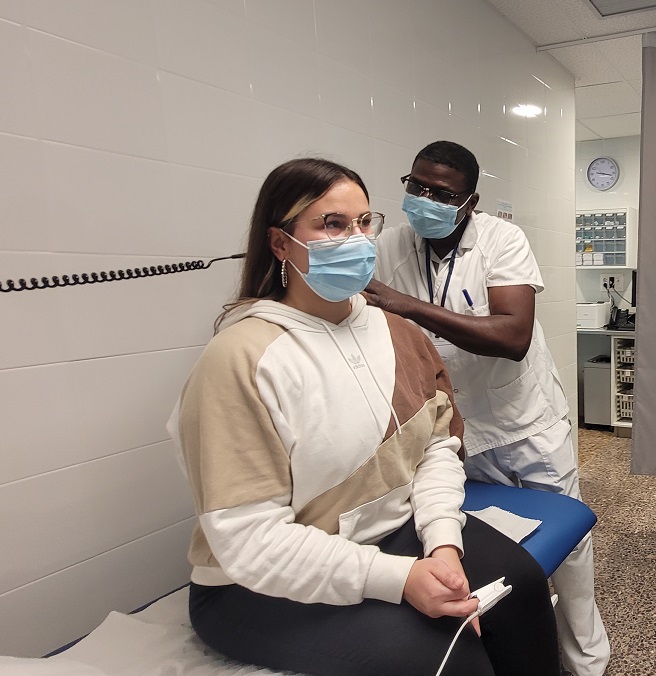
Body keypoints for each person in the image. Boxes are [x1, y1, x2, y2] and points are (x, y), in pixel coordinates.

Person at [167, 157, 560, 676]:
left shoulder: (397, 332)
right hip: (254, 585)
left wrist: (443, 542)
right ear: (282, 243)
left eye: (364, 223)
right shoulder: (242, 357)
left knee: (523, 586)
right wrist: (396, 578)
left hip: (391, 530)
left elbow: (436, 448)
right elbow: (247, 539)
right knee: (446, 657)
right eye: (332, 224)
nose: (356, 239)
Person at [364, 141, 611, 676]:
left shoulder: (502, 239)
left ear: (469, 201)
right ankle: (509, 648)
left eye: (443, 193)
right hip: (455, 433)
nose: (426, 199)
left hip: (526, 426)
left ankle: (587, 661)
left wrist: (406, 305)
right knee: (488, 549)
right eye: (417, 186)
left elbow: (512, 335)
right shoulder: (388, 245)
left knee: (567, 550)